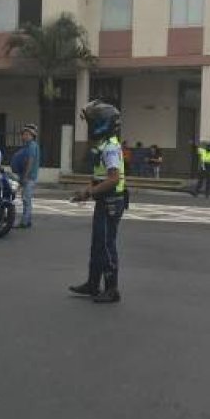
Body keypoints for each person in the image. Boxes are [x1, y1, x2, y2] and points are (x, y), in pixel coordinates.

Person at [69, 100, 125, 304]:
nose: (89, 127)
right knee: (98, 244)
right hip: (104, 201)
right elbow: (99, 177)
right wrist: (86, 192)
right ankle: (93, 284)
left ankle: (112, 289)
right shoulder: (103, 146)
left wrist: (90, 192)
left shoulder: (110, 148)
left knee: (106, 245)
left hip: (111, 201)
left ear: (102, 124)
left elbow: (113, 179)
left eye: (92, 122)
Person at [10, 124, 41, 228]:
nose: (25, 136)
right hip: (25, 175)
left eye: (27, 134)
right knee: (26, 199)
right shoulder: (27, 146)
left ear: (33, 136)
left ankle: (25, 222)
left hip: (29, 177)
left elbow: (30, 161)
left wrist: (25, 176)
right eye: (24, 134)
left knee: (26, 199)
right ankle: (27, 220)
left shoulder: (32, 145)